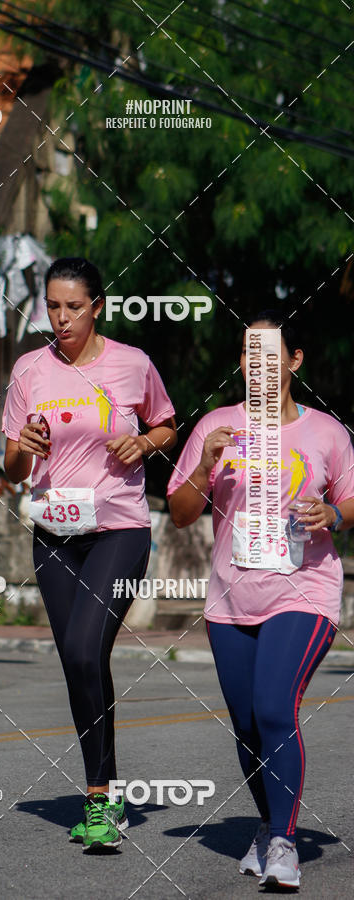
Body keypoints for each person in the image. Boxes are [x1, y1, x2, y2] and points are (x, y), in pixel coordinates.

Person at [167, 310, 354, 889]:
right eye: (250, 354)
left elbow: (350, 501)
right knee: (248, 724)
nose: (259, 365)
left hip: (305, 589)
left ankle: (282, 843)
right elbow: (179, 513)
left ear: (294, 361)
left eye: (271, 355)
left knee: (275, 708)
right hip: (230, 596)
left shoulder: (326, 432)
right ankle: (271, 821)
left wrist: (333, 514)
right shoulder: (218, 425)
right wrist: (204, 464)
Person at [1, 257, 177, 851]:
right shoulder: (29, 370)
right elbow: (11, 468)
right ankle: (105, 796)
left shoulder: (132, 364)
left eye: (74, 306)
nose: (62, 317)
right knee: (79, 662)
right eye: (52, 306)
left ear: (97, 306)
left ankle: (101, 803)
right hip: (54, 532)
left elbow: (168, 424)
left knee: (84, 647)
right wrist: (22, 448)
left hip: (120, 529)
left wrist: (145, 440)